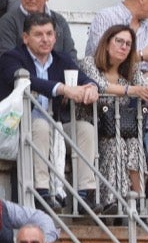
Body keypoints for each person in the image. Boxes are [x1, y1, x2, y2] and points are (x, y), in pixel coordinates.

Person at [0, 13, 99, 211]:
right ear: (25, 38)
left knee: (85, 129)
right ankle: (42, 193)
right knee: (40, 125)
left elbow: (85, 78)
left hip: (56, 126)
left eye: (49, 34)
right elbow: (26, 81)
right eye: (38, 34)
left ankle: (85, 195)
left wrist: (91, 87)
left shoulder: (62, 59)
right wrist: (62, 88)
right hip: (19, 127)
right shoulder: (12, 57)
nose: (45, 39)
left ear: (55, 36)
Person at [82, 25, 148, 213]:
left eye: (128, 44)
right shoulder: (89, 63)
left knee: (134, 145)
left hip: (124, 129)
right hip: (96, 128)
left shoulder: (132, 69)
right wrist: (130, 90)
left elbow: (145, 89)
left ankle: (137, 203)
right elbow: (99, 85)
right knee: (116, 145)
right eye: (119, 41)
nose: (123, 47)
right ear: (106, 44)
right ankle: (112, 201)